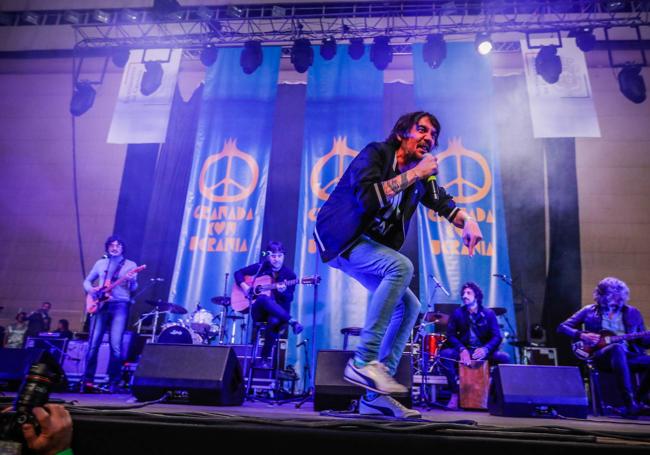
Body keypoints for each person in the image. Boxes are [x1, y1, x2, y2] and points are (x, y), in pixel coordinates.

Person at [314, 111, 483, 418]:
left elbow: (442, 202)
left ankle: (372, 396)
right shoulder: (376, 153)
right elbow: (368, 198)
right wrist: (417, 173)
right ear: (402, 132)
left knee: (409, 306)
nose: (428, 138)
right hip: (340, 238)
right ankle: (363, 361)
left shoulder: (422, 177)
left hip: (370, 246)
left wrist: (467, 221)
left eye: (433, 135)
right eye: (422, 130)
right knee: (401, 267)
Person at [558, 276, 650, 417]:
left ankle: (636, 403)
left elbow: (643, 342)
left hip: (629, 356)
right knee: (616, 348)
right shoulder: (589, 310)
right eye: (614, 299)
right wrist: (582, 335)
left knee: (626, 352)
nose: (618, 303)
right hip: (600, 356)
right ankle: (629, 403)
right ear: (602, 297)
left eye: (621, 298)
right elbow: (562, 327)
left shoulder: (633, 312)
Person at [438, 282, 511, 410]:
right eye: (463, 293)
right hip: (465, 350)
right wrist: (462, 349)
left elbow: (497, 336)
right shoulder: (458, 313)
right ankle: (455, 393)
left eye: (468, 293)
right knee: (444, 355)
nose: (464, 296)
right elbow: (451, 335)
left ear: (476, 296)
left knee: (504, 358)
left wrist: (486, 349)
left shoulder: (489, 314)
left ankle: (495, 396)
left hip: (484, 351)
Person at [81, 235, 139, 392]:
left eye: (118, 245)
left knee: (116, 345)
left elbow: (133, 289)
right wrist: (91, 290)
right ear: (107, 247)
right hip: (100, 304)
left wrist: (132, 280)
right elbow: (87, 281)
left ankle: (114, 381)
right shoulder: (101, 263)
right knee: (93, 344)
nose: (115, 247)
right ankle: (87, 381)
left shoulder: (130, 265)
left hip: (120, 305)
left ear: (122, 248)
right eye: (112, 245)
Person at [234, 241, 303, 368]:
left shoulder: (290, 275)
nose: (276, 259)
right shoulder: (262, 267)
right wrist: (245, 287)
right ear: (268, 256)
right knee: (262, 298)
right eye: (273, 256)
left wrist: (282, 292)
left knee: (274, 320)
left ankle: (264, 358)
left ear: (283, 256)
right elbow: (238, 273)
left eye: (279, 256)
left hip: (278, 313)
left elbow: (289, 299)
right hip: (259, 312)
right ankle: (292, 321)